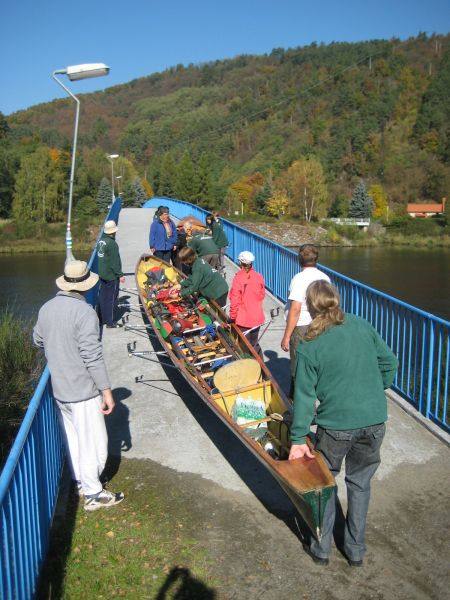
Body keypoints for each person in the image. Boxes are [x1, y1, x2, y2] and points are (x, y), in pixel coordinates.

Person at [289, 280, 398, 567]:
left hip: (336, 427)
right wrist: (376, 390)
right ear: (336, 301)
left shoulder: (309, 344)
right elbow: (389, 363)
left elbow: (303, 397)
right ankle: (355, 550)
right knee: (360, 484)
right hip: (374, 422)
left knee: (324, 484)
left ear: (311, 309)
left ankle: (322, 549)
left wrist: (299, 439)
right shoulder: (361, 324)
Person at [33, 260, 124, 511]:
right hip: (83, 391)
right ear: (85, 285)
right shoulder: (84, 313)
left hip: (60, 389)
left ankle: (82, 484)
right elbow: (92, 356)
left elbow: (37, 339)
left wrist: (59, 348)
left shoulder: (46, 308)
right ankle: (95, 494)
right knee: (94, 443)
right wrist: (106, 391)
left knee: (74, 440)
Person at [281, 244, 330, 397]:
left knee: (299, 366)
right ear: (316, 259)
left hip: (302, 326)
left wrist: (287, 336)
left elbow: (295, 309)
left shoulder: (299, 279)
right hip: (321, 324)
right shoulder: (324, 277)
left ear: (299, 259)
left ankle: (299, 402)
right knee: (318, 362)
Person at [229, 251, 265, 356]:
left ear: (240, 262)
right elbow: (262, 295)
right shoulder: (259, 276)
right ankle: (261, 368)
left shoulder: (238, 278)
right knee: (254, 344)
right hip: (257, 317)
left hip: (243, 319)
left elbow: (235, 300)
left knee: (243, 347)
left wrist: (232, 317)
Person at [97, 220, 125, 328]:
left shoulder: (101, 241)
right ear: (113, 232)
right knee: (112, 299)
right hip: (111, 276)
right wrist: (120, 274)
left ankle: (103, 319)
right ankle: (110, 322)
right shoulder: (112, 243)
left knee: (103, 297)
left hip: (102, 273)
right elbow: (114, 262)